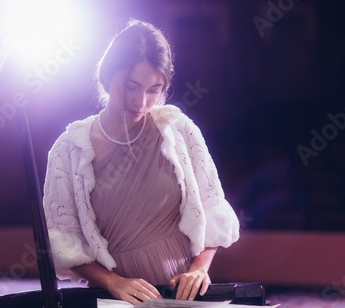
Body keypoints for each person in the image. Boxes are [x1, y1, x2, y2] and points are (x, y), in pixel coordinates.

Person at [43, 19, 240, 305]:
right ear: (108, 76)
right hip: (114, 301)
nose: (141, 101)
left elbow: (212, 208)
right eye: (132, 87)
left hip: (182, 298)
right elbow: (62, 240)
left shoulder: (178, 130)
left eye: (153, 89)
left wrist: (199, 270)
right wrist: (113, 282)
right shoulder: (69, 149)